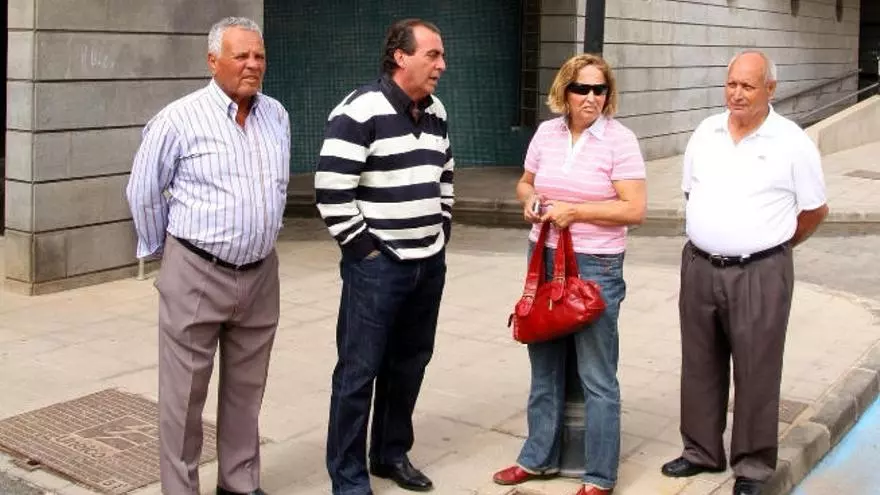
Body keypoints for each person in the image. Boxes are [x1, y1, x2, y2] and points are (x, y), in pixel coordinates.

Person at [125, 16, 290, 495]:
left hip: (260, 273)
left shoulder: (277, 115)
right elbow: (143, 192)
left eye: (259, 55)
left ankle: (239, 482)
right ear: (213, 60)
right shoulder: (179, 119)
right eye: (242, 56)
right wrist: (167, 254)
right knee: (183, 397)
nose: (253, 64)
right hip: (197, 270)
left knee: (247, 389)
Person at [660, 51, 828, 495]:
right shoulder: (706, 132)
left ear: (770, 89)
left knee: (756, 370)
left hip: (760, 272)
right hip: (700, 266)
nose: (736, 94)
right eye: (731, 84)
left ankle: (752, 467)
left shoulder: (792, 142)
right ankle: (701, 451)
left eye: (747, 86)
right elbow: (690, 191)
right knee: (699, 363)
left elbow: (815, 210)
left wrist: (772, 246)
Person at [491, 53, 647, 495]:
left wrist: (575, 211)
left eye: (600, 89)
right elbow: (526, 181)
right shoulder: (547, 133)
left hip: (595, 265)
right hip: (542, 260)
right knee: (543, 365)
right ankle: (537, 458)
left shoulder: (620, 140)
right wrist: (529, 199)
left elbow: (634, 209)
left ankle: (599, 476)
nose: (591, 97)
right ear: (565, 91)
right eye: (582, 88)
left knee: (597, 375)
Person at [314, 18, 453, 495]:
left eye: (441, 55)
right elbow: (331, 191)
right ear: (400, 56)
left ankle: (391, 454)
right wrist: (367, 253)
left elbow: (445, 173)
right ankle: (348, 478)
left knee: (409, 365)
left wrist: (442, 228)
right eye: (432, 55)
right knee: (358, 373)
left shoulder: (436, 111)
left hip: (428, 264)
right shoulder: (359, 110)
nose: (441, 65)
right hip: (379, 269)